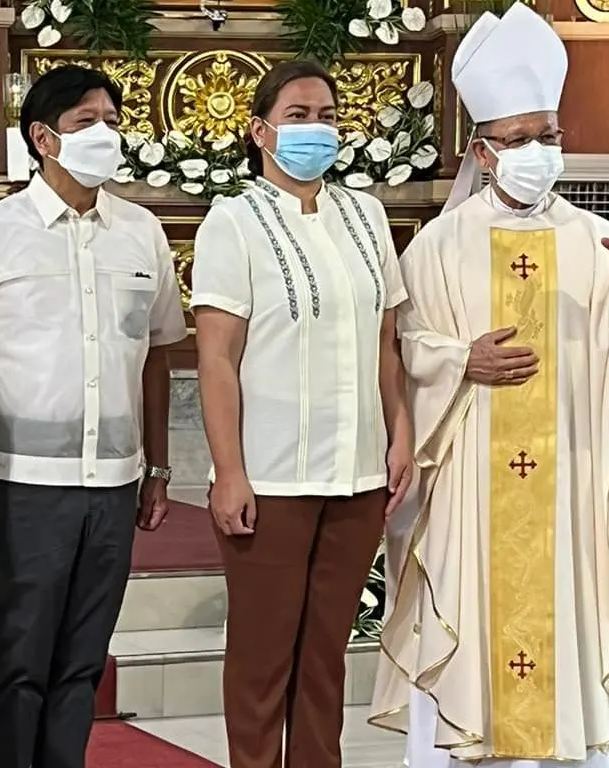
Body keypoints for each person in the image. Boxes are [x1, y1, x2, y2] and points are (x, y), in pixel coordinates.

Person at [369, 5, 609, 767]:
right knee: (472, 628)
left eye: (549, 136)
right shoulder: (439, 245)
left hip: (570, 488)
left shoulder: (599, 242)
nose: (538, 152)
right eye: (518, 140)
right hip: (471, 489)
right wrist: (459, 361)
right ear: (482, 150)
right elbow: (405, 346)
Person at [0, 64, 187, 768]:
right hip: (22, 480)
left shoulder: (141, 231)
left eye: (112, 121)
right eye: (86, 123)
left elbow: (158, 353)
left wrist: (158, 468)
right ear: (43, 138)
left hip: (113, 481)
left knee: (83, 656)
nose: (105, 134)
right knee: (20, 653)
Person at [191, 59, 413, 768]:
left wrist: (400, 433)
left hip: (357, 473)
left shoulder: (365, 214)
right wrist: (229, 471)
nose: (316, 128)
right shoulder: (233, 222)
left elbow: (386, 338)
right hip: (273, 475)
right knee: (263, 657)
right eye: (297, 116)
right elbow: (217, 359)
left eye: (327, 116)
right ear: (261, 131)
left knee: (326, 655)